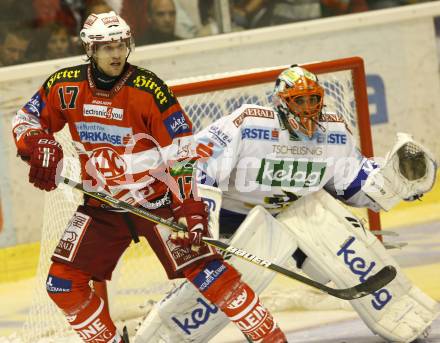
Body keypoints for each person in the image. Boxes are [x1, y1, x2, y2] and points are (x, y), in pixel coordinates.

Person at [11, 11, 286, 343]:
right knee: (62, 283)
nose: (116, 54)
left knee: (207, 272)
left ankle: (270, 337)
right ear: (89, 50)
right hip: (102, 207)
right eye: (107, 47)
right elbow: (25, 119)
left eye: (121, 45)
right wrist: (36, 142)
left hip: (158, 204)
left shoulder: (149, 89)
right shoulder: (64, 84)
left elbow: (183, 154)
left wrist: (190, 210)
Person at [134, 65, 438, 342]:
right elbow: (199, 168)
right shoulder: (248, 124)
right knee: (224, 286)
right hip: (233, 222)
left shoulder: (334, 135)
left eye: (313, 100)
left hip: (292, 218)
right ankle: (155, 338)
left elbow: (352, 185)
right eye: (299, 101)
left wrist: (394, 182)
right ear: (281, 103)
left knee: (341, 236)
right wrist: (200, 221)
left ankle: (403, 315)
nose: (308, 109)